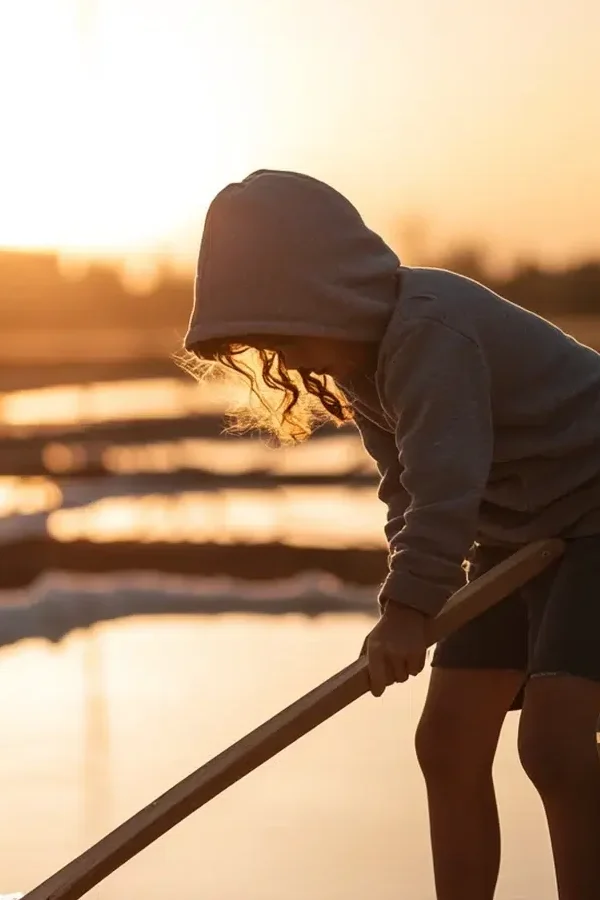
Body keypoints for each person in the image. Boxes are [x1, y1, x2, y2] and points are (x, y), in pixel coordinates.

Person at [181, 169, 600, 900]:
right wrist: (402, 608)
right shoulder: (363, 364)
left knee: (556, 747)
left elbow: (446, 485)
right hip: (519, 538)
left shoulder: (428, 333)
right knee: (446, 744)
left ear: (326, 293)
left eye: (283, 334)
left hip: (595, 510)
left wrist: (411, 611)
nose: (289, 362)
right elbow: (406, 492)